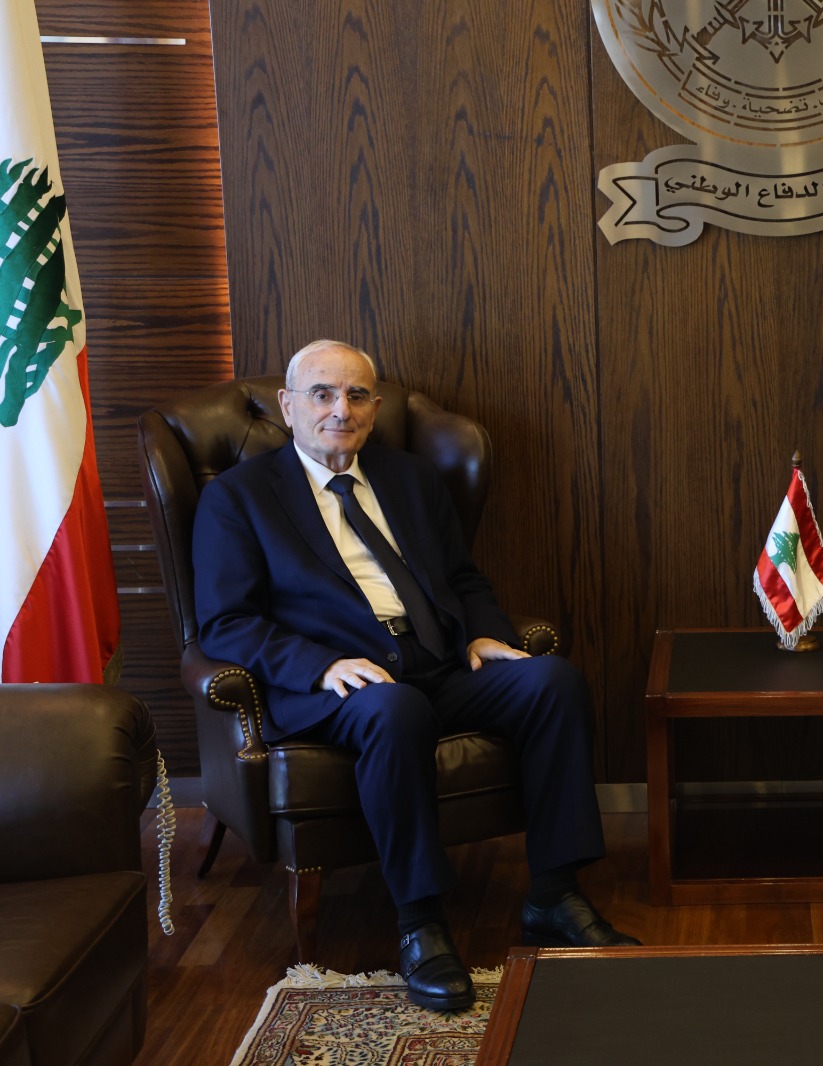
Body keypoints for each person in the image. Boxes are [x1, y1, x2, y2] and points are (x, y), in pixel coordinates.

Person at [192, 340, 638, 1012]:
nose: (340, 410)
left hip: (436, 659)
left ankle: (555, 893)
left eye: (356, 396)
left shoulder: (409, 478)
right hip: (339, 682)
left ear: (375, 408)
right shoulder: (238, 497)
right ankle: (421, 922)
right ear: (287, 406)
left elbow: (462, 577)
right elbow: (226, 623)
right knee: (394, 710)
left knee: (553, 683)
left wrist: (484, 633)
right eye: (322, 394)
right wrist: (320, 665)